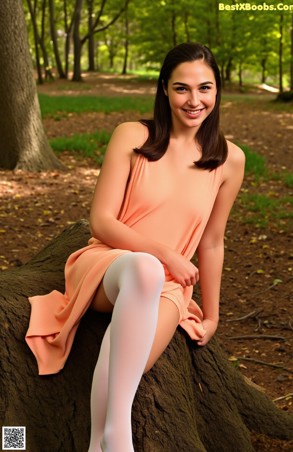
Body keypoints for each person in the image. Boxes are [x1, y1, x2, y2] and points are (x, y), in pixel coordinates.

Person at [26, 42, 245, 451]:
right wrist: (165, 254)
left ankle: (100, 442)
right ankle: (119, 438)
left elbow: (213, 242)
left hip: (169, 286)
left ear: (218, 90)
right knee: (143, 267)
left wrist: (212, 316)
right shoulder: (133, 135)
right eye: (182, 88)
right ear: (164, 89)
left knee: (126, 356)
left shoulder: (230, 160)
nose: (194, 100)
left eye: (205, 88)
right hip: (110, 263)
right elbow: (102, 221)